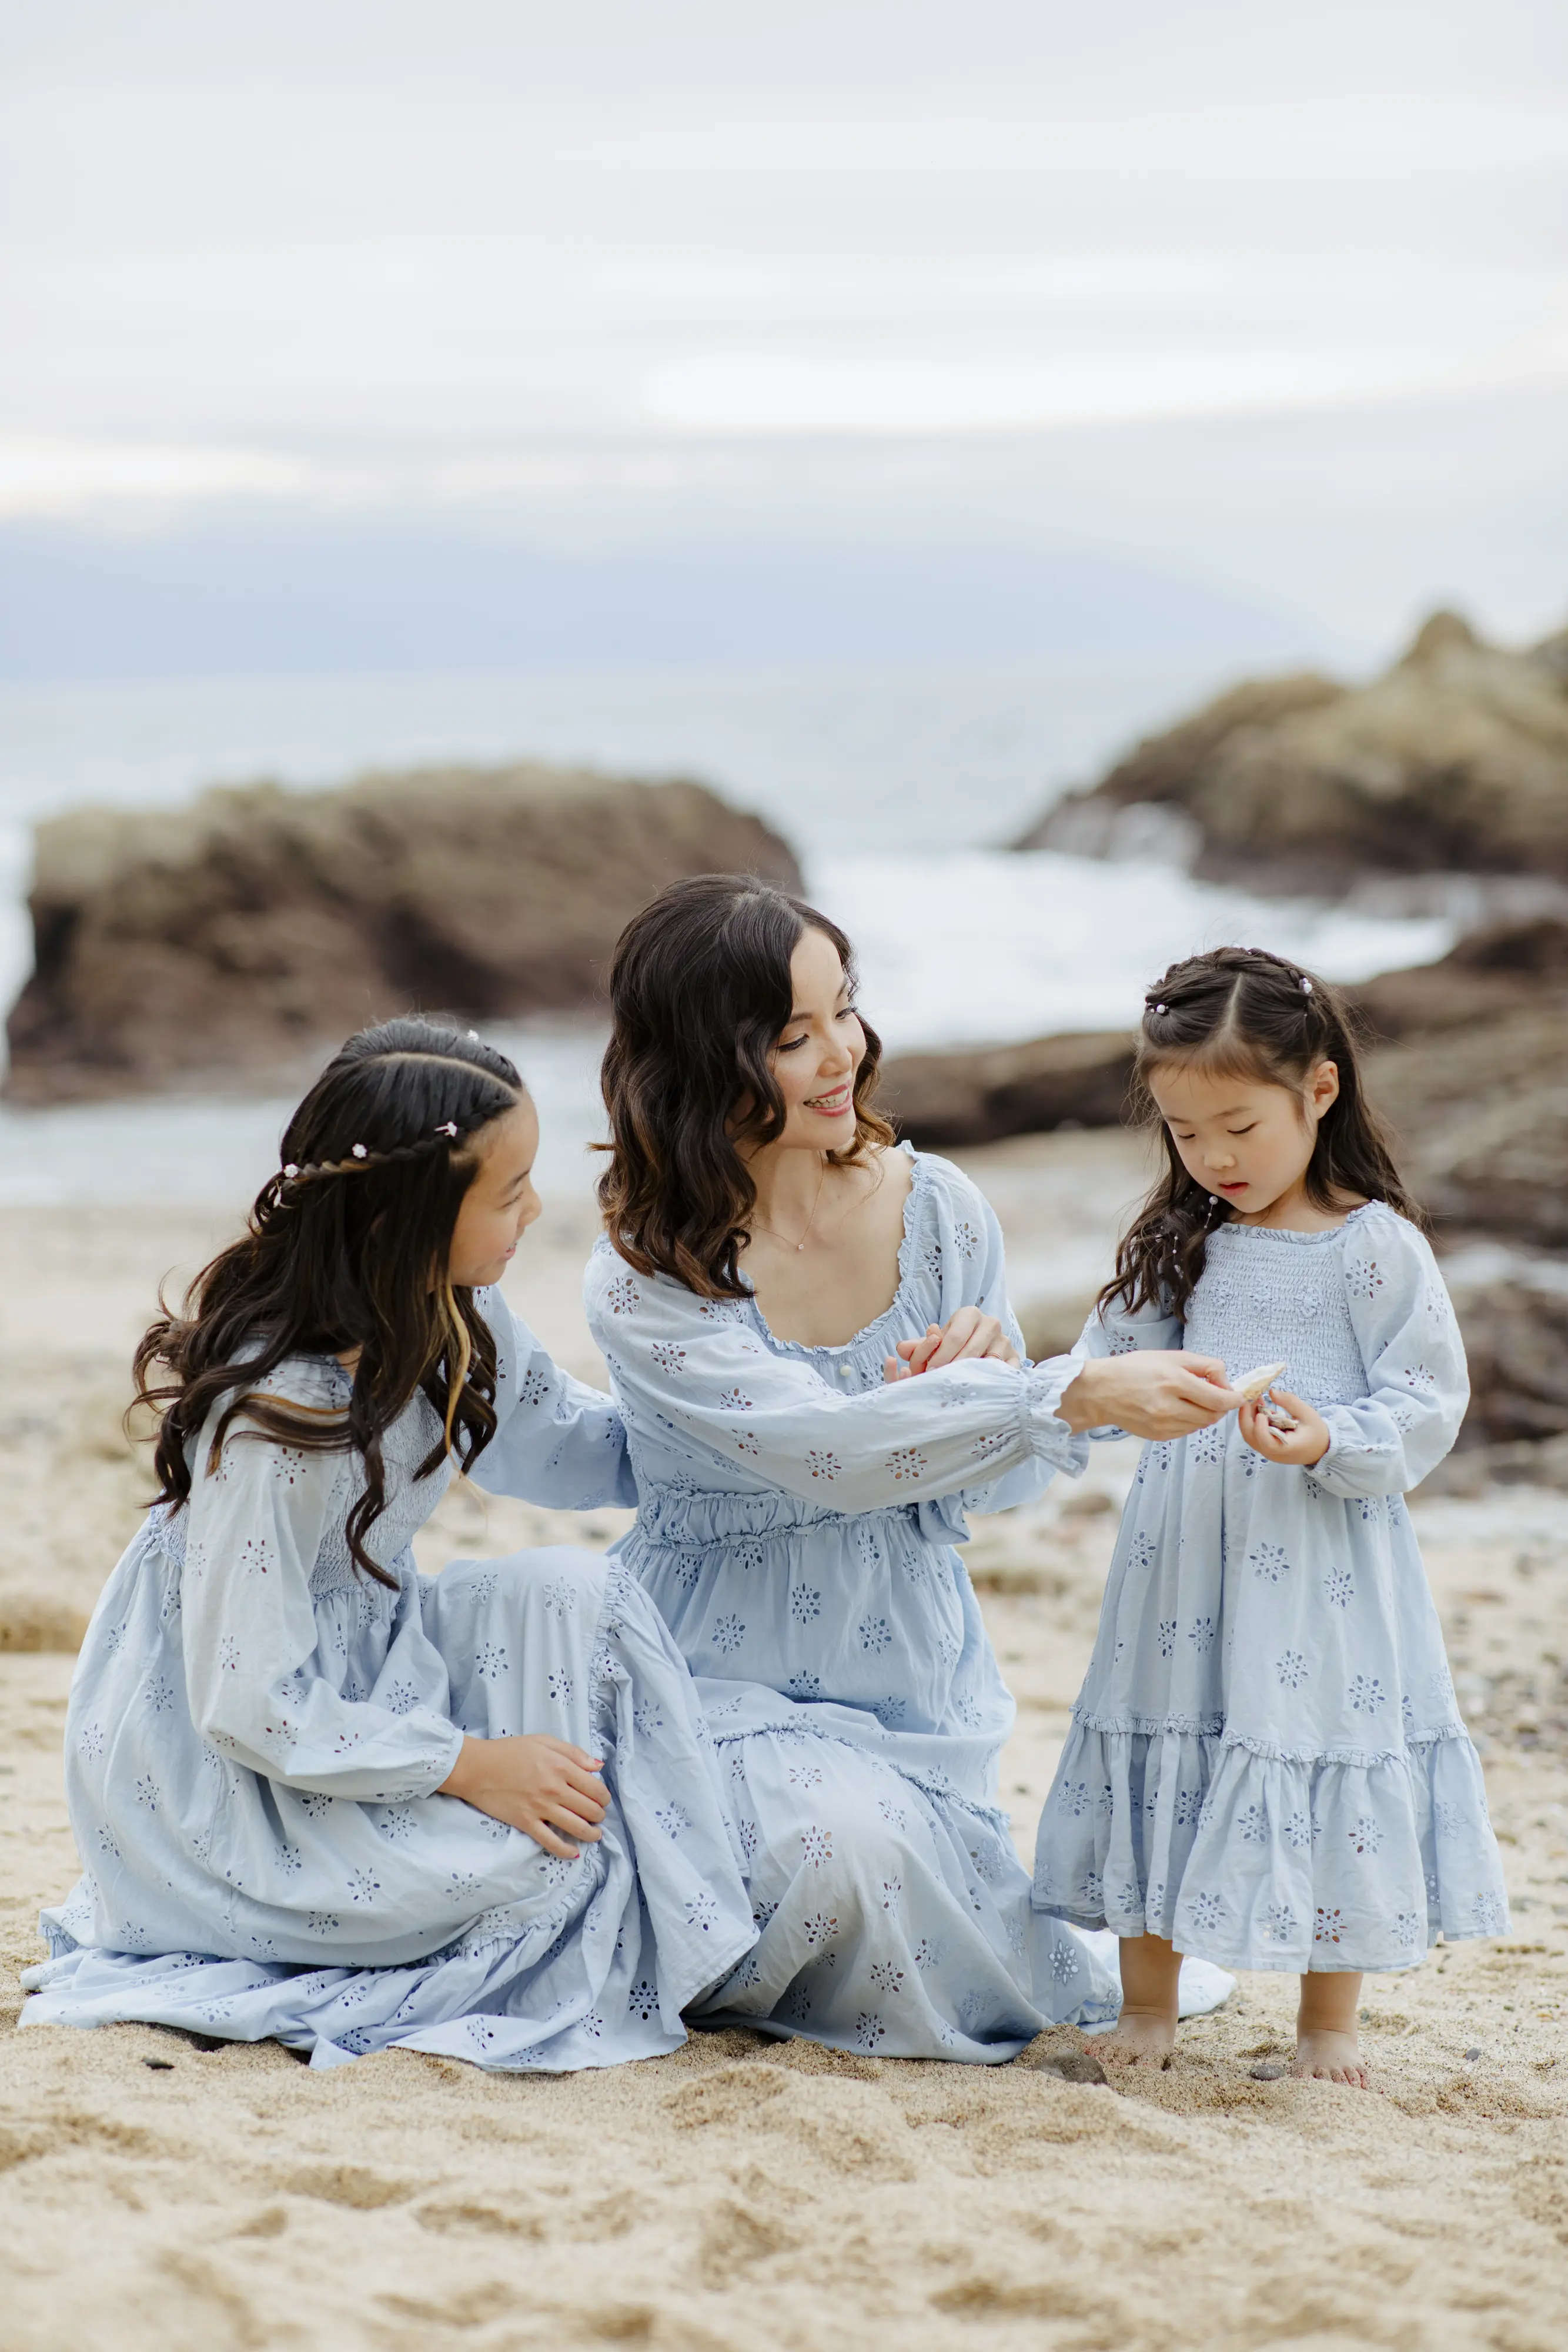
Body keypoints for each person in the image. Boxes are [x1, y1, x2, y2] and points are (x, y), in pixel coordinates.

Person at [585, 875, 1238, 2061]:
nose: (843, 1052)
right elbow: (819, 1449)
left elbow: (986, 1492)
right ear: (702, 1061)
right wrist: (1057, 1387)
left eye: (847, 1008)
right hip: (705, 1681)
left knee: (880, 1851)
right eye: (793, 1034)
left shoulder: (940, 1211)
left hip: (909, 1686)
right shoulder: (645, 1274)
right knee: (829, 1844)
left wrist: (973, 1386)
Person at [22, 1020, 753, 2072]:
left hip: (366, 1657)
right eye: (509, 1194)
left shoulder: (458, 1314)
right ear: (407, 1219)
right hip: (219, 1756)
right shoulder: (276, 1423)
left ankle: (706, 1884)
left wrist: (765, 1420)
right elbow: (249, 1702)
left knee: (575, 1595)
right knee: (533, 1875)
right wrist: (469, 1766)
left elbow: (579, 1450)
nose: (536, 1211)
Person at [1032, 947, 1510, 2087]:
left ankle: (1325, 2027)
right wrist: (1066, 1388)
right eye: (1186, 1131)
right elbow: (1108, 1371)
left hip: (1319, 1551)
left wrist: (1329, 1437)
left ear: (1320, 1090)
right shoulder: (1181, 1240)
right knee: (1168, 1728)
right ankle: (1147, 1998)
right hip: (1181, 1553)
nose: (1214, 1157)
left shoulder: (1373, 1246)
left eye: (1238, 1125)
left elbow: (1426, 1398)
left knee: (1318, 1743)